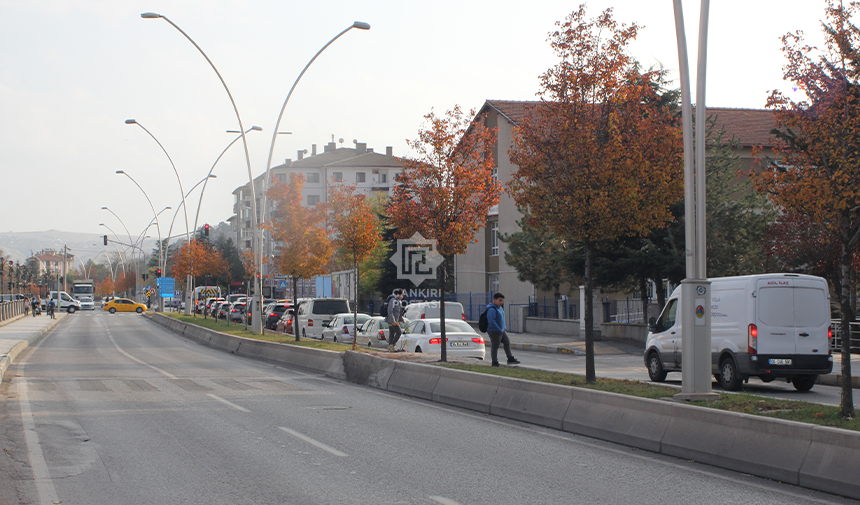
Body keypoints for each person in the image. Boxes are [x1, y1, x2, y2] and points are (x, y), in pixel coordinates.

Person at [485, 293, 520, 367]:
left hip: (501, 330)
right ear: (494, 300)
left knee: (507, 342)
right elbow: (491, 321)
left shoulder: (499, 308)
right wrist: (497, 329)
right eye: (499, 300)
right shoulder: (492, 309)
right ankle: (494, 362)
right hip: (494, 331)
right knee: (495, 346)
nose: (501, 302)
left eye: (502, 301)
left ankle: (510, 358)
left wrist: (503, 328)